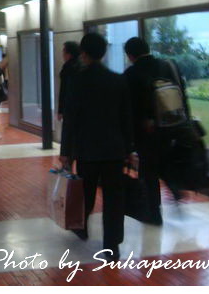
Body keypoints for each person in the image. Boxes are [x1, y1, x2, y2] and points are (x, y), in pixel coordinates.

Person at [60, 32, 133, 262]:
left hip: (87, 149)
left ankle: (81, 227)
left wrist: (66, 152)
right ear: (104, 52)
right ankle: (112, 245)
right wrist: (129, 149)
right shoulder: (118, 80)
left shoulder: (77, 81)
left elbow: (71, 119)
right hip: (114, 150)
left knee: (86, 193)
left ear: (83, 53)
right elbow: (126, 118)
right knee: (114, 198)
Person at [123, 37, 189, 224]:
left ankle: (154, 213)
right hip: (171, 126)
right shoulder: (167, 65)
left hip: (146, 132)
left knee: (148, 171)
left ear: (130, 55)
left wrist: (129, 140)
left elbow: (130, 108)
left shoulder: (131, 74)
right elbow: (181, 92)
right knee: (165, 161)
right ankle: (174, 188)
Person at [57, 41, 80, 122]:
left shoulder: (68, 67)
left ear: (69, 54)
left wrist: (60, 110)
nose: (63, 55)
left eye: (64, 52)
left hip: (70, 106)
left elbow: (64, 89)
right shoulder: (82, 65)